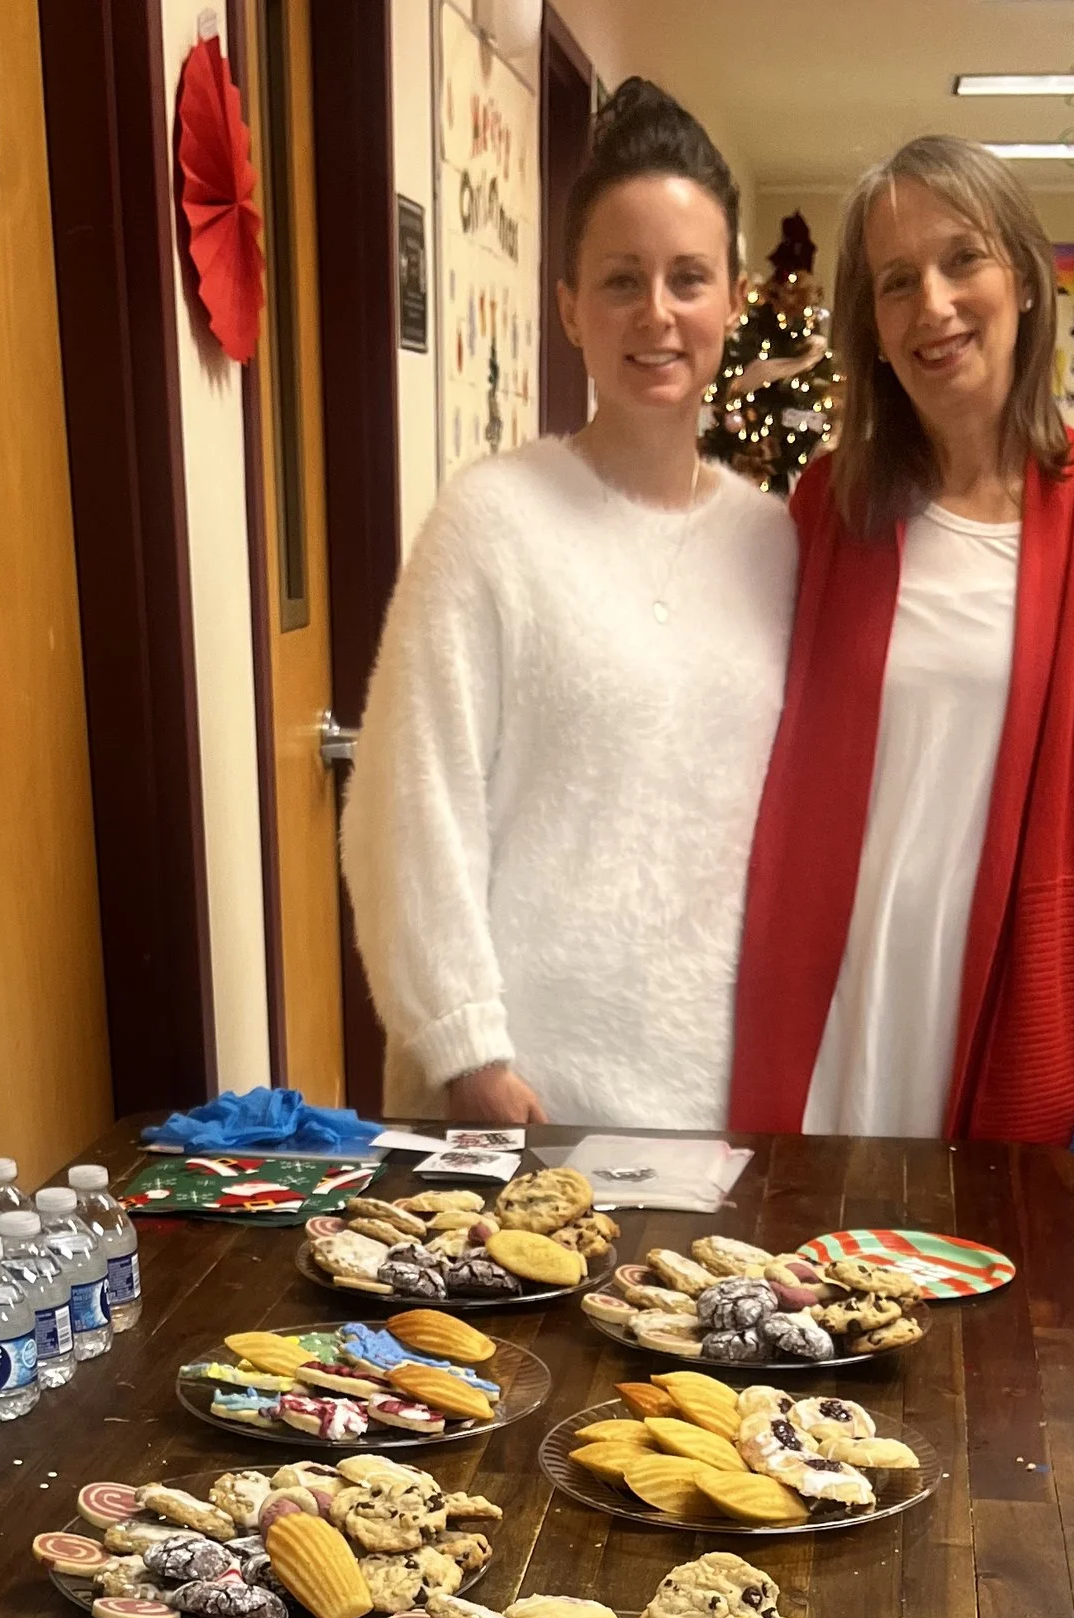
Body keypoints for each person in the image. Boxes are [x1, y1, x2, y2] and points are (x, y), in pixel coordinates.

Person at [728, 138, 1074, 1270]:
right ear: (870, 325)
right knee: (808, 1323)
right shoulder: (831, 505)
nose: (932, 304)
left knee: (998, 1361)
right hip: (842, 996)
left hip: (1013, 998)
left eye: (960, 260)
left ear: (1023, 278)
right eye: (894, 281)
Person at [342, 82, 795, 1134]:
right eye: (620, 280)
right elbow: (410, 800)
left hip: (726, 1099)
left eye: (688, 280)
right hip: (521, 1101)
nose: (656, 315)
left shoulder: (776, 545)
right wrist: (464, 1049)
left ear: (731, 298)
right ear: (567, 307)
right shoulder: (494, 522)